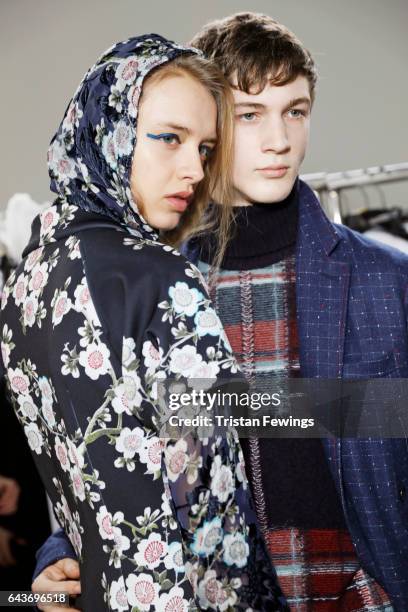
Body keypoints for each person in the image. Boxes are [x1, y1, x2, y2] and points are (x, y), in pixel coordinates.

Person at [32, 12, 408, 611]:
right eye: (248, 115)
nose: (280, 140)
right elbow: (117, 458)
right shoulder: (149, 285)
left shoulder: (384, 279)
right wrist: (58, 557)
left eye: (296, 110)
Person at [0, 34, 287, 610]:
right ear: (111, 130)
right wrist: (378, 407)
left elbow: (86, 483)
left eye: (205, 149)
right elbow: (227, 467)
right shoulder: (156, 276)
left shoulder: (25, 284)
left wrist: (26, 597)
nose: (193, 170)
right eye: (168, 139)